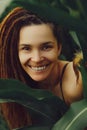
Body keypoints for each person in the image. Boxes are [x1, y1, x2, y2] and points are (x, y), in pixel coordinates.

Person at [0, 7, 83, 129]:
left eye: (46, 47)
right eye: (26, 48)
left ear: (59, 47)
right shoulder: (14, 85)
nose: (37, 58)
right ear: (15, 52)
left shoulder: (76, 82)